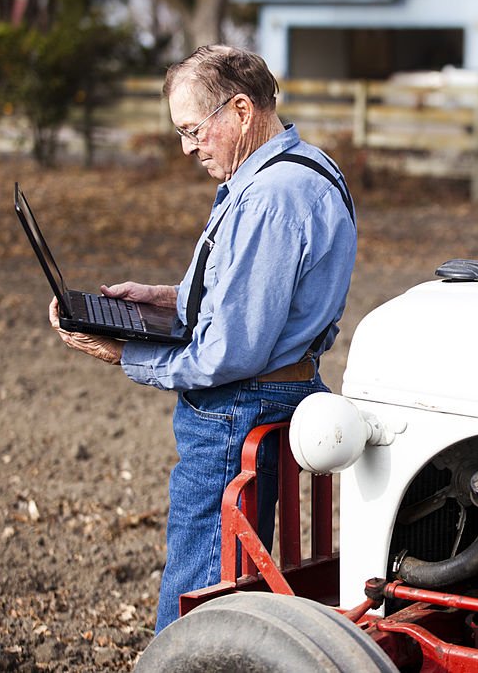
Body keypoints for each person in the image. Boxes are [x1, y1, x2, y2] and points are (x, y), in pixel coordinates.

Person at [48, 45, 356, 633]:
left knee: (197, 591)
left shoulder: (269, 197)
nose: (188, 147)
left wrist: (131, 354)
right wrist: (162, 299)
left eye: (193, 130)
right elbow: (247, 297)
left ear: (240, 111)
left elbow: (228, 353)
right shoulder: (303, 167)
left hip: (236, 409)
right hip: (274, 390)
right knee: (224, 580)